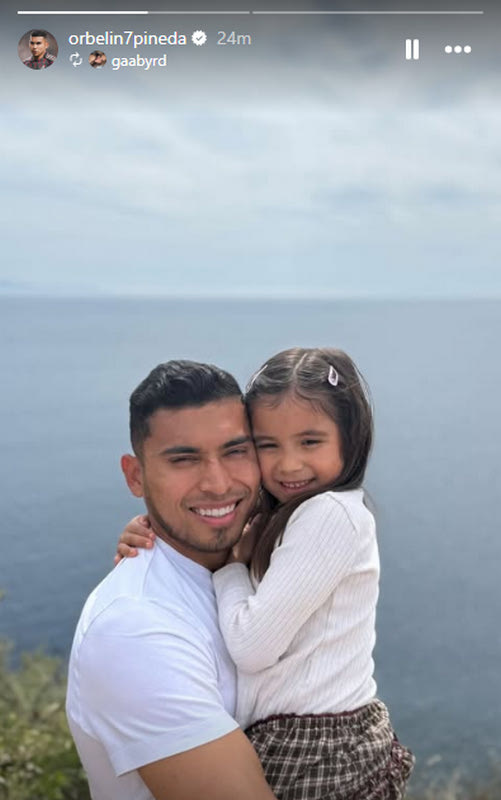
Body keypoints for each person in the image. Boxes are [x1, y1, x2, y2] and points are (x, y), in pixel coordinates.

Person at [118, 347, 415, 799]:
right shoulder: (289, 512)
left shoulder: (330, 514)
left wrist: (232, 567)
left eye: (310, 442)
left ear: (350, 439)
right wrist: (150, 533)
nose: (288, 464)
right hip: (312, 734)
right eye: (267, 445)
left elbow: (251, 646)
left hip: (315, 745)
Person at [66, 360, 278, 800]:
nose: (218, 483)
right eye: (184, 460)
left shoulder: (259, 558)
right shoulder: (133, 630)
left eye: (236, 451)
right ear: (136, 476)